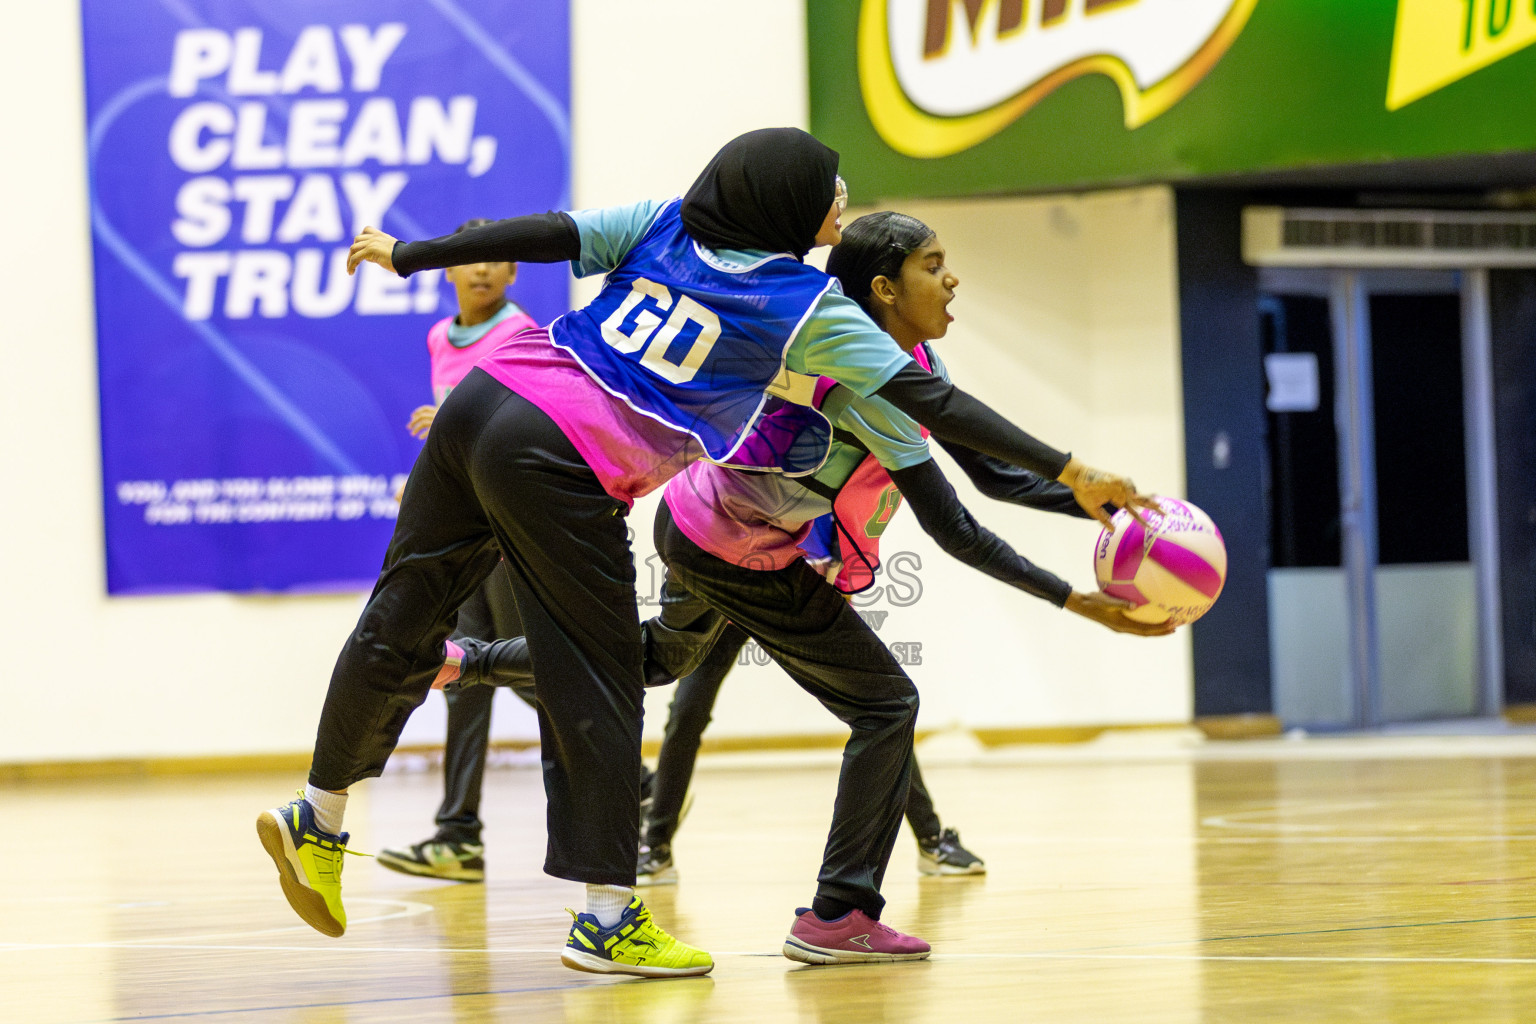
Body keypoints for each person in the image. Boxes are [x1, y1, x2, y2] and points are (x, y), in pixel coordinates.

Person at [255, 127, 1149, 979]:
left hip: (490, 394)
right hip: (567, 456)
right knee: (603, 673)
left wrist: (411, 255)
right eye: (824, 188)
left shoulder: (663, 219)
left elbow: (541, 231)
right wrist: (1070, 467)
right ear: (781, 201)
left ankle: (319, 814)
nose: (838, 199)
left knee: (401, 613)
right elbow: (937, 407)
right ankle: (608, 921)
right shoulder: (809, 309)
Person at [432, 210, 1170, 965]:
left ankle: (465, 660)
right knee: (885, 704)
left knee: (657, 660)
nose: (953, 279)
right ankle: (839, 913)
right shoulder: (868, 382)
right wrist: (1077, 602)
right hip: (740, 547)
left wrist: (1093, 505)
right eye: (934, 264)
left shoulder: (902, 360)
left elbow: (988, 470)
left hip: (697, 524)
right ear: (884, 289)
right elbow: (955, 530)